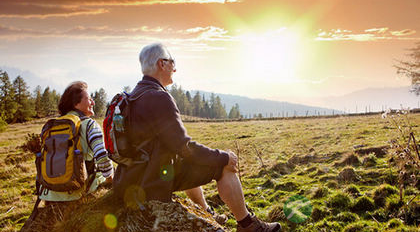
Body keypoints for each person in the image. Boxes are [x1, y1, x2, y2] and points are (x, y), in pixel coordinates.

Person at [113, 43, 281, 232]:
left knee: (187, 162)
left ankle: (206, 211)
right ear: (162, 64)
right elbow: (184, 147)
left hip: (131, 179)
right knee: (223, 167)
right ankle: (248, 225)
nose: (174, 68)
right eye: (172, 62)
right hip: (151, 183)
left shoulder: (134, 95)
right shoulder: (159, 97)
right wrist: (223, 157)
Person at [39, 81, 114, 202]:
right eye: (89, 99)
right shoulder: (90, 125)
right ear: (76, 104)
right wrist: (111, 180)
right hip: (79, 192)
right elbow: (102, 157)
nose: (93, 102)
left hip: (51, 193)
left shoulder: (53, 126)